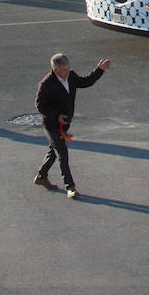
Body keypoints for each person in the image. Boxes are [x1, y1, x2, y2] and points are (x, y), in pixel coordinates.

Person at [34, 53, 113, 199]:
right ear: (55, 69)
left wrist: (99, 70)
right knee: (62, 154)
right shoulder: (47, 84)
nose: (66, 72)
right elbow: (39, 105)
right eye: (63, 70)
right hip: (51, 125)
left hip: (64, 124)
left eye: (68, 68)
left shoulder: (70, 76)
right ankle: (70, 187)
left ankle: (41, 177)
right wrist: (56, 115)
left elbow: (85, 82)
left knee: (53, 152)